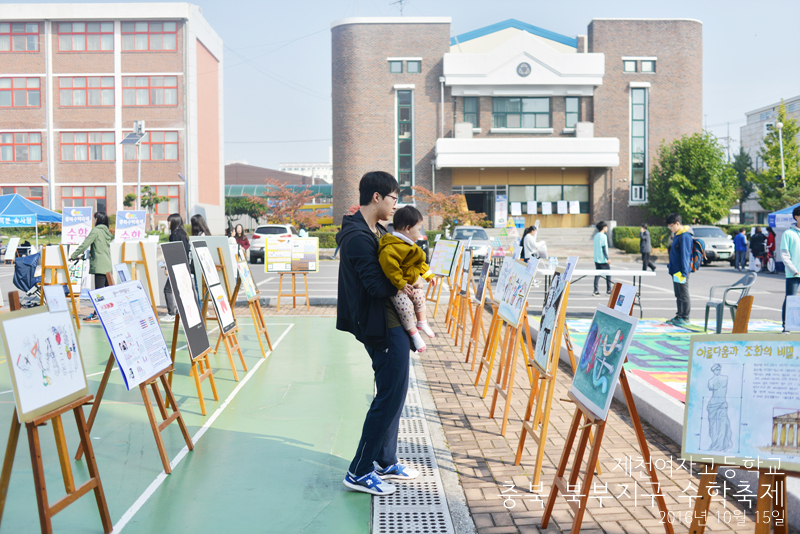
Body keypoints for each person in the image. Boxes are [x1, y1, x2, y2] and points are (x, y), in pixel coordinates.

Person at [336, 171, 420, 496]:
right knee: (388, 396)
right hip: (380, 327)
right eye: (394, 199)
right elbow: (375, 284)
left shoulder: (376, 229)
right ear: (377, 197)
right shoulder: (358, 236)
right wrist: (405, 283)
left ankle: (385, 460)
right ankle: (359, 470)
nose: (396, 205)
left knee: (396, 392)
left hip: (391, 322)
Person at [378, 205, 436, 352]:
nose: (420, 233)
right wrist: (401, 284)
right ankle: (414, 334)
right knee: (405, 309)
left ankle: (422, 322)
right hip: (397, 288)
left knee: (420, 296)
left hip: (409, 285)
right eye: (419, 229)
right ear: (408, 228)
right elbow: (390, 269)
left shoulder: (411, 246)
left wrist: (428, 276)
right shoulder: (391, 247)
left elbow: (419, 263)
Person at [70, 212, 113, 322]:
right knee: (106, 291)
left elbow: (85, 244)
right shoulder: (106, 232)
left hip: (99, 265)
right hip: (107, 264)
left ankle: (97, 314)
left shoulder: (96, 231)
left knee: (98, 292)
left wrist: (74, 255)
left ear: (98, 219)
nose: (93, 221)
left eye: (94, 219)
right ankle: (107, 312)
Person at [162, 213, 193, 323]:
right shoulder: (183, 233)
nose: (168, 224)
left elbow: (172, 252)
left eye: (169, 222)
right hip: (184, 266)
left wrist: (167, 267)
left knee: (168, 289)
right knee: (182, 290)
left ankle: (171, 313)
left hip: (176, 267)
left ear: (174, 222)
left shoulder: (174, 235)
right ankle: (185, 313)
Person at [666, 213, 693, 327]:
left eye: (671, 226)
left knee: (683, 294)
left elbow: (685, 255)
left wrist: (684, 272)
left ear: (678, 223)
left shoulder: (685, 236)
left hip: (681, 271)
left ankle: (685, 317)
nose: (670, 229)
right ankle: (679, 315)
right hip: (675, 270)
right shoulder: (677, 235)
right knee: (678, 294)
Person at [781, 206, 800, 331]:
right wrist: (794, 270)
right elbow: (785, 255)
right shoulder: (788, 234)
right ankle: (786, 325)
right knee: (790, 298)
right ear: (796, 217)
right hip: (793, 273)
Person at [592, 221, 612, 296]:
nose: (607, 228)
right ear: (604, 228)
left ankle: (596, 290)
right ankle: (609, 290)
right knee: (608, 274)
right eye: (606, 227)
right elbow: (604, 248)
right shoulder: (603, 236)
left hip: (597, 259)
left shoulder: (596, 236)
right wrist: (608, 258)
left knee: (597, 275)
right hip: (603, 259)